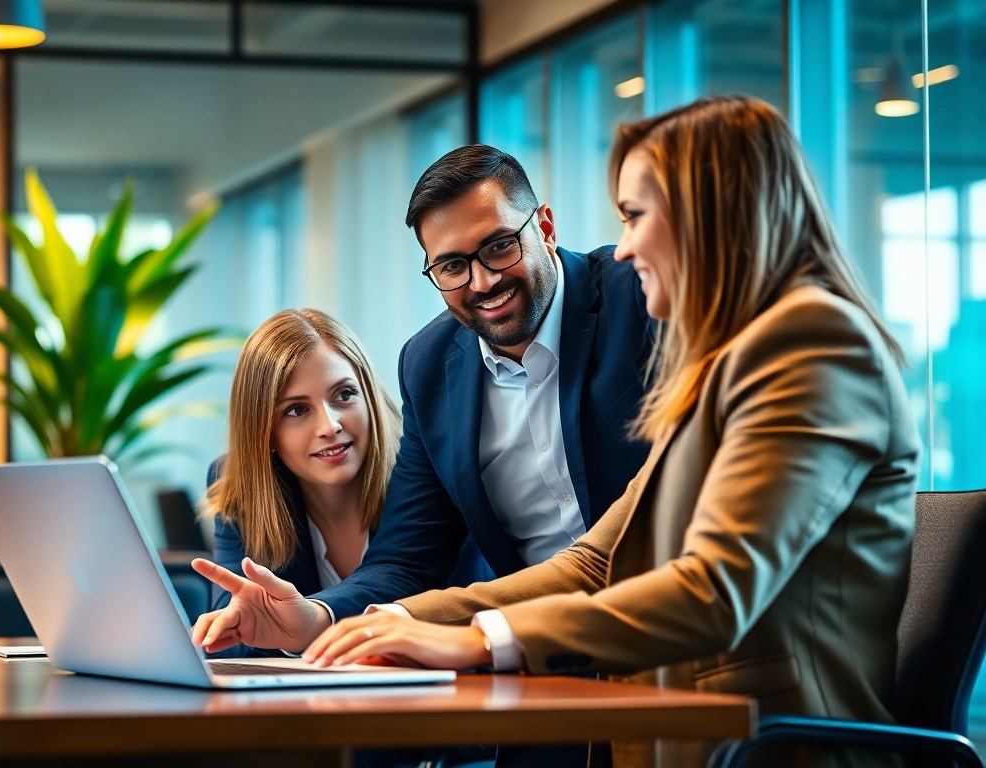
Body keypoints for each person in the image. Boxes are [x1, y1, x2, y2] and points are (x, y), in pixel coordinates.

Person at [299, 96, 920, 768]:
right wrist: (411, 620)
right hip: (674, 723)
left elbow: (713, 588)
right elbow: (600, 559)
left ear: (706, 214)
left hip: (765, 743)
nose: (622, 245)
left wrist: (483, 640)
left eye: (635, 216)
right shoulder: (719, 365)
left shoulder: (811, 343)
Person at [191, 145, 655, 658]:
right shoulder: (430, 363)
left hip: (658, 627)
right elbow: (410, 557)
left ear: (544, 228)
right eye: (452, 266)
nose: (482, 282)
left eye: (500, 246)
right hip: (533, 658)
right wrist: (318, 617)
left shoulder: (639, 294)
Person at [201, 308, 408, 658]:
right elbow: (230, 638)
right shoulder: (242, 488)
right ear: (264, 431)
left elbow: (454, 605)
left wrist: (310, 624)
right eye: (296, 410)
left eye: (344, 395)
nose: (329, 426)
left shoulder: (423, 471)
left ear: (369, 395)